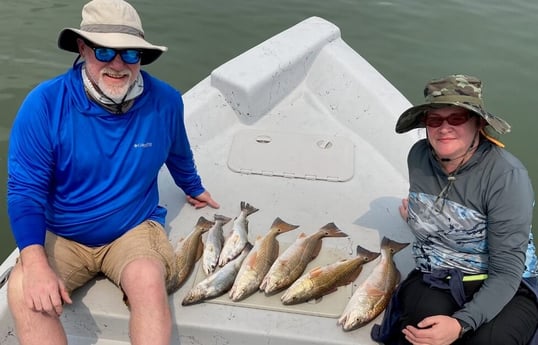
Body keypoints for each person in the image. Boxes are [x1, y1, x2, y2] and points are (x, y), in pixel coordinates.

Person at [6, 0, 219, 344]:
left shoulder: (165, 101)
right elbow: (24, 192)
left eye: (131, 54)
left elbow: (178, 151)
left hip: (132, 229)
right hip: (62, 233)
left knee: (149, 282)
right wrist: (35, 264)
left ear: (141, 57)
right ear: (82, 47)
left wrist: (192, 186)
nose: (118, 64)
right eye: (104, 52)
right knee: (21, 291)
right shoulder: (43, 104)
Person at [371, 74, 538, 345]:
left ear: (478, 123)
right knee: (422, 329)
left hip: (505, 280)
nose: (443, 128)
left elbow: (507, 272)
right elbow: (438, 209)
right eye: (434, 120)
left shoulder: (507, 176)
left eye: (457, 118)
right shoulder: (419, 156)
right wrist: (416, 216)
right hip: (439, 271)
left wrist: (460, 324)